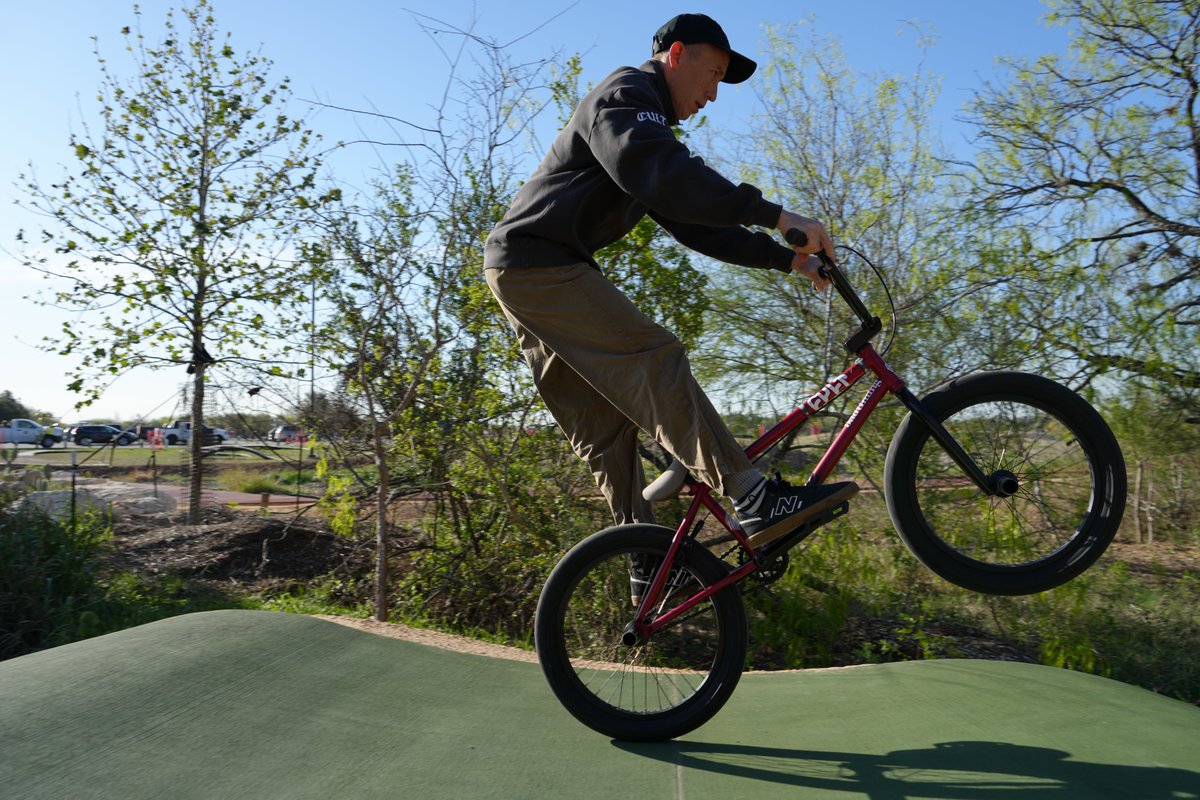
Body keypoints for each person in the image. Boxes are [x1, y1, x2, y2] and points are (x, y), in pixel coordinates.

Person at [484, 13, 859, 558]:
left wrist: (785, 260)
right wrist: (776, 215)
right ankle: (753, 497)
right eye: (712, 75)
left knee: (606, 432)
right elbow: (668, 172)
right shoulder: (625, 95)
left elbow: (693, 222)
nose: (712, 94)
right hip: (539, 265)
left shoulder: (645, 137)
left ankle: (646, 561)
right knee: (654, 357)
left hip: (521, 272)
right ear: (676, 54)